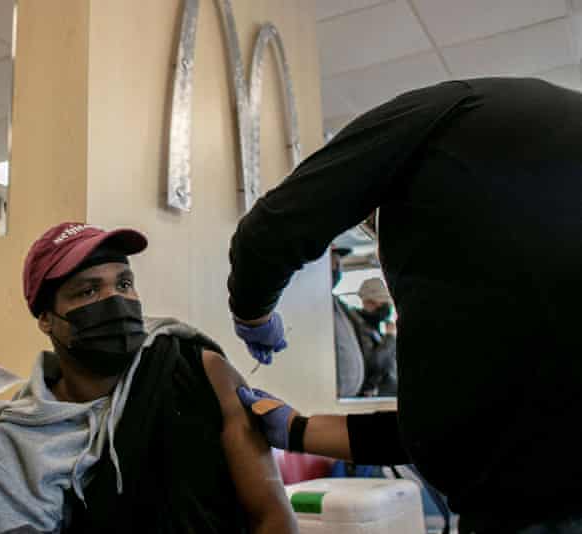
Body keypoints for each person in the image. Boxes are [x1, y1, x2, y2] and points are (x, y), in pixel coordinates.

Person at [228, 78, 582, 533]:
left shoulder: (426, 120)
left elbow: (267, 234)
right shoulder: (522, 287)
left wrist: (251, 313)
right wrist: (296, 429)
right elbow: (455, 426)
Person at [0, 222, 295, 534]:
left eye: (124, 284)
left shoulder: (194, 369)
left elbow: (271, 516)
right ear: (46, 319)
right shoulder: (14, 449)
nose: (115, 300)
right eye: (88, 291)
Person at [329, 246, 365, 397]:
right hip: (330, 395)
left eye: (339, 263)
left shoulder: (337, 302)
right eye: (333, 262)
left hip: (346, 397)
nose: (338, 268)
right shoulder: (313, 306)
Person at [355, 278, 397, 397]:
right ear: (367, 302)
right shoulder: (360, 327)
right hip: (380, 395)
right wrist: (390, 337)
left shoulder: (374, 327)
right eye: (383, 303)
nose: (386, 307)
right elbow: (374, 364)